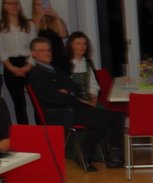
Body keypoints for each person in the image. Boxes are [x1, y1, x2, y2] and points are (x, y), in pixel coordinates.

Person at [28, 37, 124, 171]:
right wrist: (68, 93)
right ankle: (84, 156)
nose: (47, 53)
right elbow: (55, 99)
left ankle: (115, 157)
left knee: (115, 117)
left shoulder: (55, 70)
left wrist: (66, 92)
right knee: (99, 124)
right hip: (60, 113)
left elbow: (75, 88)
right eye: (42, 51)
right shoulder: (36, 75)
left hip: (73, 107)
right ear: (34, 54)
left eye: (49, 50)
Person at [0, 0, 36, 124]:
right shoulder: (1, 25)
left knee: (37, 101)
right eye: (10, 3)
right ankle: (25, 137)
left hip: (28, 64)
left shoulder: (29, 24)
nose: (13, 6)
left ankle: (43, 133)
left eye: (16, 3)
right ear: (4, 6)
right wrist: (12, 68)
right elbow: (1, 51)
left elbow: (34, 47)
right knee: (19, 104)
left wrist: (28, 66)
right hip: (10, 65)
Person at [64, 31, 99, 105]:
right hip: (74, 104)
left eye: (84, 44)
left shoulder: (87, 62)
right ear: (71, 45)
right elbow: (66, 91)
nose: (82, 47)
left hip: (90, 101)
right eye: (78, 44)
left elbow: (93, 84)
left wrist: (93, 97)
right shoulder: (65, 64)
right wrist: (86, 102)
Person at [31, 0, 67, 70]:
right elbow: (33, 37)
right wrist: (39, 18)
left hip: (60, 58)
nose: (41, 7)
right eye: (38, 5)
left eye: (43, 4)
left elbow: (63, 35)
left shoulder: (55, 20)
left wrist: (56, 17)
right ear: (34, 7)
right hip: (43, 60)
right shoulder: (31, 23)